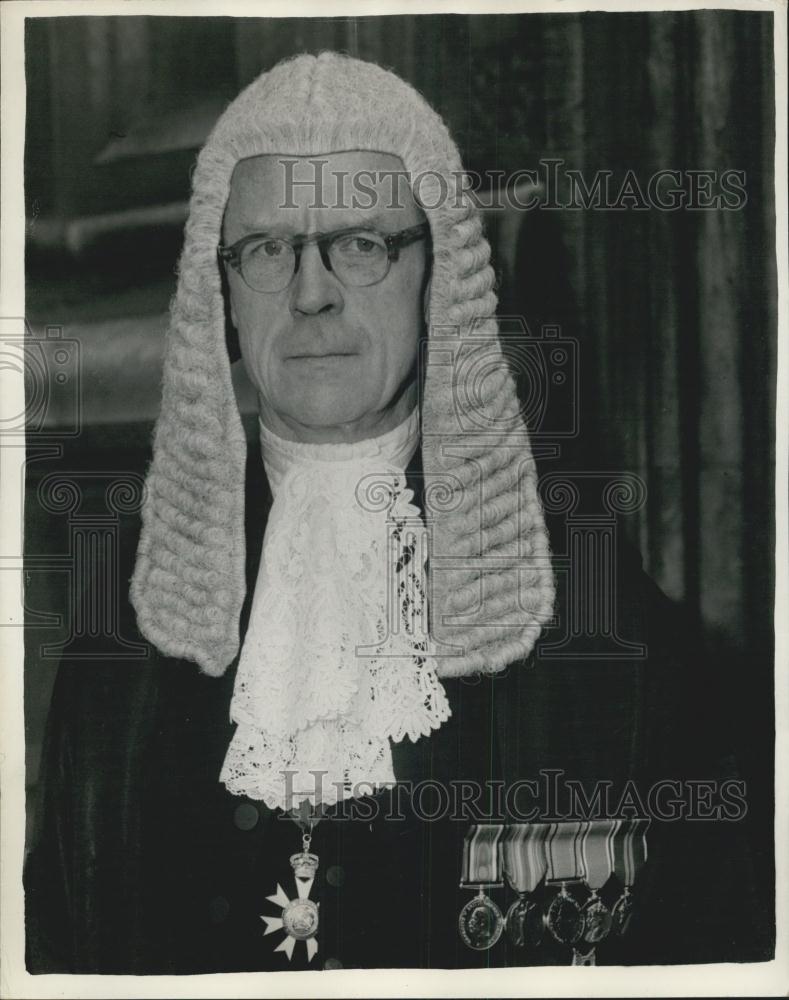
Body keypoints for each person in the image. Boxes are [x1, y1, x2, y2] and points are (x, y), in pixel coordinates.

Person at [24, 51, 767, 975]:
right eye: (265, 249)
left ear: (438, 273)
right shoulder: (119, 648)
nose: (310, 291)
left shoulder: (610, 638)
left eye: (361, 242)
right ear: (214, 292)